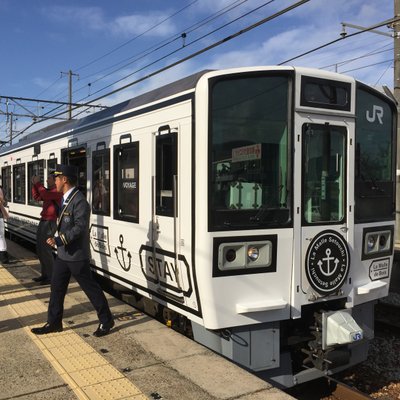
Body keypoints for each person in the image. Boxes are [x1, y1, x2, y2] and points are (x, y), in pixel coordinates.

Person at [31, 164, 115, 337]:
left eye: (56, 178)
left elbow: (80, 227)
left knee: (91, 289)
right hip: (63, 255)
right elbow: (64, 223)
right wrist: (56, 238)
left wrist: (59, 240)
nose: (54, 181)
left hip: (76, 255)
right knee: (56, 288)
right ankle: (54, 323)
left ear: (65, 180)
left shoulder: (80, 201)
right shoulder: (65, 198)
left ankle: (107, 320)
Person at [31, 174, 63, 284]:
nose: (46, 180)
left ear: (55, 181)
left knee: (46, 249)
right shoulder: (49, 191)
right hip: (44, 220)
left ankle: (51, 276)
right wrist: (34, 185)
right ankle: (45, 275)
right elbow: (37, 197)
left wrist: (37, 183)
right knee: (40, 249)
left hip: (50, 222)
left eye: (48, 178)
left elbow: (44, 195)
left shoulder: (57, 191)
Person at [0, 186, 9, 263]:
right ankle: (4, 258)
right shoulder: (2, 190)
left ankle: (3, 257)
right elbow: (4, 203)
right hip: (0, 217)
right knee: (1, 237)